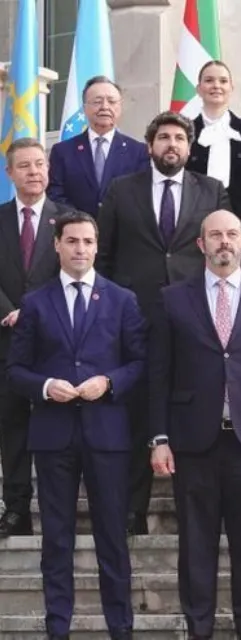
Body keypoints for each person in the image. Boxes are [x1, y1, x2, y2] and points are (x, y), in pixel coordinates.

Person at [148, 210, 241, 640]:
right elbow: (160, 372)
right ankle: (200, 627)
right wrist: (159, 437)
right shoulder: (173, 298)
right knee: (195, 544)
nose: (224, 242)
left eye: (232, 234)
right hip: (194, 441)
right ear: (201, 244)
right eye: (215, 235)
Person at [7, 211, 147, 640]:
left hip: (106, 435)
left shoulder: (122, 299)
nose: (80, 249)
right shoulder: (35, 302)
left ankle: (120, 626)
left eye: (87, 241)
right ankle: (58, 628)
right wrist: (47, 385)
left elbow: (139, 362)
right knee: (57, 539)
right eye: (72, 241)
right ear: (57, 245)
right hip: (53, 436)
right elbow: (15, 370)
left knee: (112, 538)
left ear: (97, 245)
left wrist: (108, 382)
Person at [96, 110, 231, 535]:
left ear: (190, 149)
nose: (171, 145)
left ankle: (205, 511)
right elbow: (105, 256)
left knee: (196, 408)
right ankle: (135, 510)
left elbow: (225, 252)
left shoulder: (211, 190)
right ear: (150, 146)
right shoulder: (122, 190)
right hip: (137, 318)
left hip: (197, 320)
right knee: (138, 412)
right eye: (163, 138)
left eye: (179, 139)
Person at [0, 138, 71, 538]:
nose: (34, 172)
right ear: (10, 173)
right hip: (6, 344)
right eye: (24, 165)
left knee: (53, 431)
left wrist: (32, 311)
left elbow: (74, 273)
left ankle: (55, 509)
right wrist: (8, 311)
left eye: (40, 164)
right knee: (11, 428)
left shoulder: (68, 221)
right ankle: (16, 509)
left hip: (54, 342)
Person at [47, 76, 150, 217]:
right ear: (84, 108)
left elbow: (142, 196)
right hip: (77, 233)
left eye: (112, 101)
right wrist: (81, 222)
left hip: (122, 234)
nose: (105, 107)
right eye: (97, 101)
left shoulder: (139, 152)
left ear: (120, 107)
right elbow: (55, 194)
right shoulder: (62, 151)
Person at [185, 60, 241, 223]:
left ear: (231, 88)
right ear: (198, 89)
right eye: (209, 80)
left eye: (223, 81)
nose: (216, 85)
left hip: (240, 220)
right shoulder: (185, 131)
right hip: (193, 220)